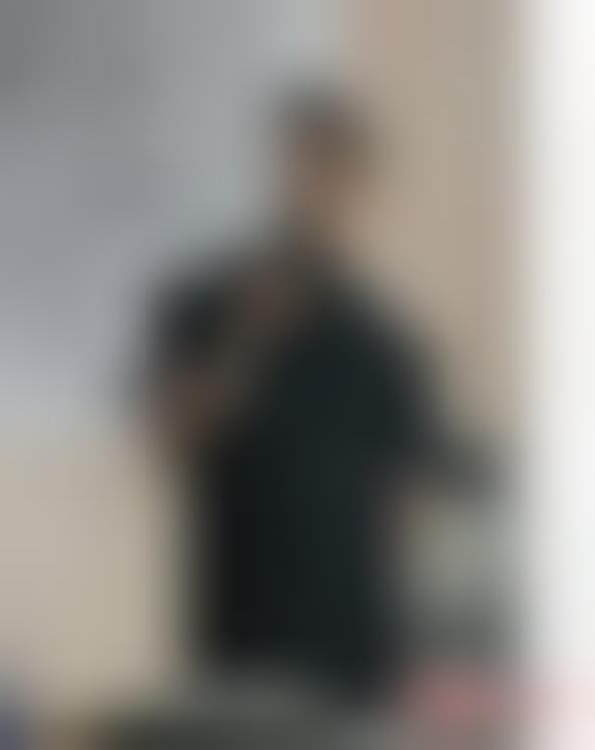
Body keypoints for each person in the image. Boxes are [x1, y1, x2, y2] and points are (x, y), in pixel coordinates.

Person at [147, 88, 464, 706]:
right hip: (242, 636)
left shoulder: (384, 340)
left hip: (354, 651)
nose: (316, 194)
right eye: (303, 168)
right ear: (275, 172)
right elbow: (171, 437)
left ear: (360, 190)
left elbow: (406, 501)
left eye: (335, 176)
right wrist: (246, 345)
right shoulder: (209, 305)